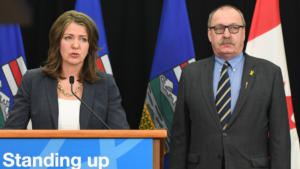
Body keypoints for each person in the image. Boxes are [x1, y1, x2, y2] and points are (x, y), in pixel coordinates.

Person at [169, 5, 290, 169]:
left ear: (244, 33)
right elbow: (179, 137)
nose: (227, 34)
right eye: (219, 28)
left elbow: (280, 139)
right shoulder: (190, 74)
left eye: (234, 28)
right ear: (209, 34)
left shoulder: (270, 73)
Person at [4, 10, 130, 129]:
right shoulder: (33, 80)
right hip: (46, 153)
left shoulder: (105, 83)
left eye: (83, 39)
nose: (75, 45)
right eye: (68, 37)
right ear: (57, 42)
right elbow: (11, 133)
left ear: (90, 46)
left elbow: (122, 136)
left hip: (91, 153)